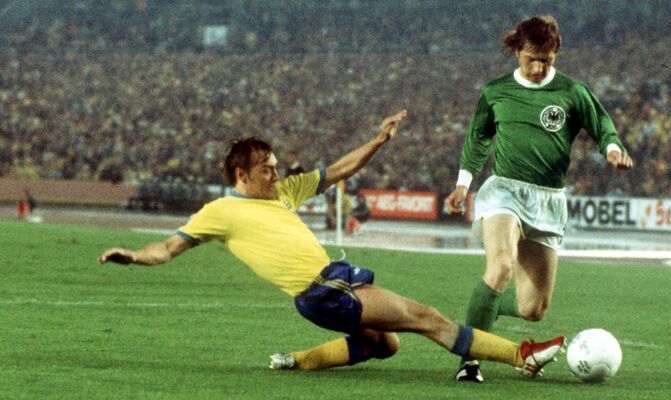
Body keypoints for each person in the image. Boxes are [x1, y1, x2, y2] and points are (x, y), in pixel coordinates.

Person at [98, 110, 564, 377]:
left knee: (386, 346)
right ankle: (522, 356)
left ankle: (297, 361)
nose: (277, 173)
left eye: (277, 165)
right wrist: (135, 256)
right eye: (267, 168)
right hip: (325, 289)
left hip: (323, 294)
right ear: (241, 174)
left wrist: (378, 141)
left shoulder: (283, 193)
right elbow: (169, 248)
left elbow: (337, 171)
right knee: (427, 319)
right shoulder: (219, 212)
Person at [444, 15, 634, 383]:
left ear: (555, 54)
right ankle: (469, 361)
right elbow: (478, 139)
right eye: (531, 58)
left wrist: (612, 149)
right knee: (500, 266)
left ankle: (485, 309)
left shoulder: (571, 92)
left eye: (545, 60)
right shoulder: (496, 91)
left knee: (533, 309)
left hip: (548, 201)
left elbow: (603, 126)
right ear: (517, 50)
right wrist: (463, 184)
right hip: (504, 193)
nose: (537, 67)